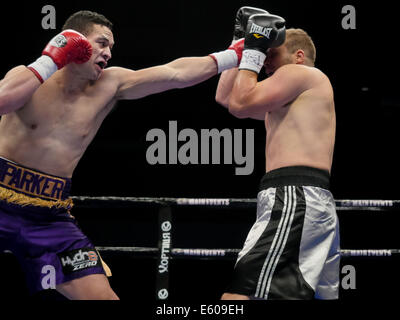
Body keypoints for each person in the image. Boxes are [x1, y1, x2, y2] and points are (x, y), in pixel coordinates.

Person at [0, 10, 243, 300]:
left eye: (111, 47)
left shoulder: (110, 85)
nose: (108, 53)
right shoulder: (30, 75)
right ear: (74, 39)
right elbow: (3, 100)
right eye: (101, 43)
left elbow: (175, 73)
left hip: (50, 218)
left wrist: (234, 54)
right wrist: (51, 58)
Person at [215, 7, 340, 300]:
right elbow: (225, 97)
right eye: (264, 54)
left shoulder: (304, 74)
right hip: (301, 199)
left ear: (298, 56)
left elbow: (240, 102)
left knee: (239, 295)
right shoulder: (290, 96)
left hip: (294, 197)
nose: (266, 62)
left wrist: (254, 51)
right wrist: (241, 44)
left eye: (273, 54)